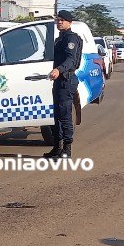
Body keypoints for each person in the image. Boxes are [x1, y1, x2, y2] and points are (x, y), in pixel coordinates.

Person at [44, 10, 83, 159]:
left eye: (62, 20)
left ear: (69, 22)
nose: (59, 22)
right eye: (58, 20)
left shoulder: (71, 39)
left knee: (65, 115)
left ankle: (67, 148)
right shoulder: (59, 39)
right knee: (56, 115)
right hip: (58, 81)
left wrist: (58, 70)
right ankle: (57, 147)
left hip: (67, 80)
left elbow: (70, 60)